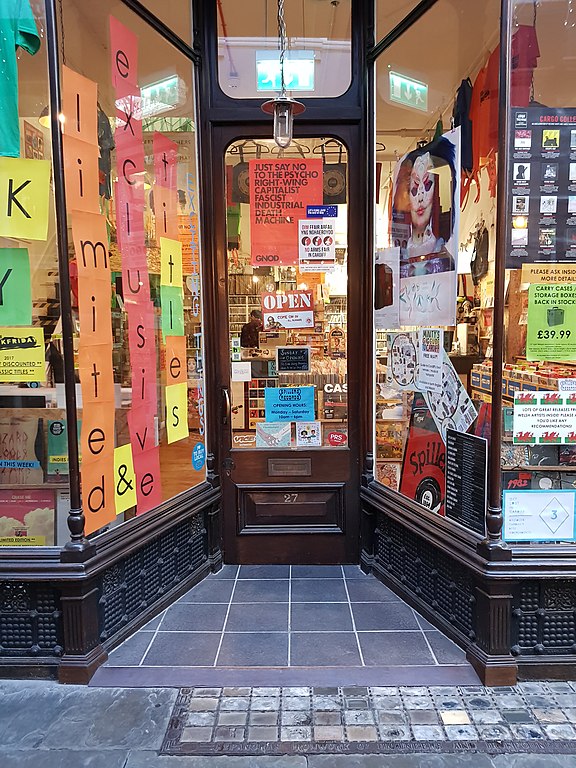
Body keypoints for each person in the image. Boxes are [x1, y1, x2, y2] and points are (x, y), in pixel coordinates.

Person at [393, 136, 457, 278]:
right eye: (415, 188)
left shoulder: (444, 256)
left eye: (428, 186)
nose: (421, 198)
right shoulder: (399, 255)